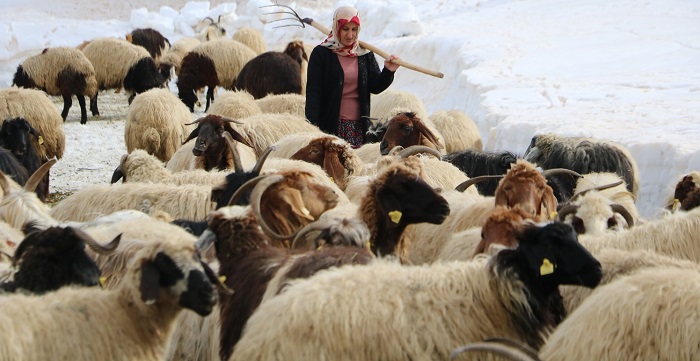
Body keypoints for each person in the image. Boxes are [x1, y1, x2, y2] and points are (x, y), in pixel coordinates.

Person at [305, 6, 400, 148]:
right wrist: (312, 125)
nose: (350, 35)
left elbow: (375, 86)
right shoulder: (321, 54)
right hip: (331, 126)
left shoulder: (364, 54)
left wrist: (388, 71)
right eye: (345, 29)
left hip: (360, 129)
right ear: (337, 28)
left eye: (354, 29)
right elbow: (314, 91)